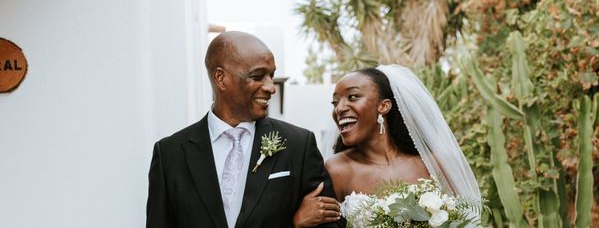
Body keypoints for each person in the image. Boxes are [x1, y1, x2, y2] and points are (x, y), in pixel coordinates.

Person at [146, 31, 342, 228]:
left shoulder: (299, 144)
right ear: (221, 78)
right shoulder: (170, 154)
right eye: (257, 76)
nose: (271, 87)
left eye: (271, 76)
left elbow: (330, 223)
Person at [294, 65, 480, 221]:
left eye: (352, 97)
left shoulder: (432, 163)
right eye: (335, 103)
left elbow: (465, 218)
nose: (340, 108)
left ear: (383, 106)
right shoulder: (337, 170)